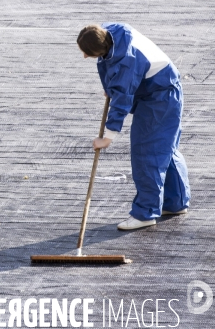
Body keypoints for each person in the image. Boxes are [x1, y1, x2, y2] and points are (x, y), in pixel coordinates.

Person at [77, 23, 190, 230]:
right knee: (165, 149)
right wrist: (112, 86)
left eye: (88, 53)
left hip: (159, 97)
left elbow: (122, 100)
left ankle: (145, 213)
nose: (85, 57)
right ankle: (175, 203)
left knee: (147, 151)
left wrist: (107, 138)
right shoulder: (113, 32)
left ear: (100, 48)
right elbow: (114, 72)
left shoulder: (126, 62)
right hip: (164, 88)